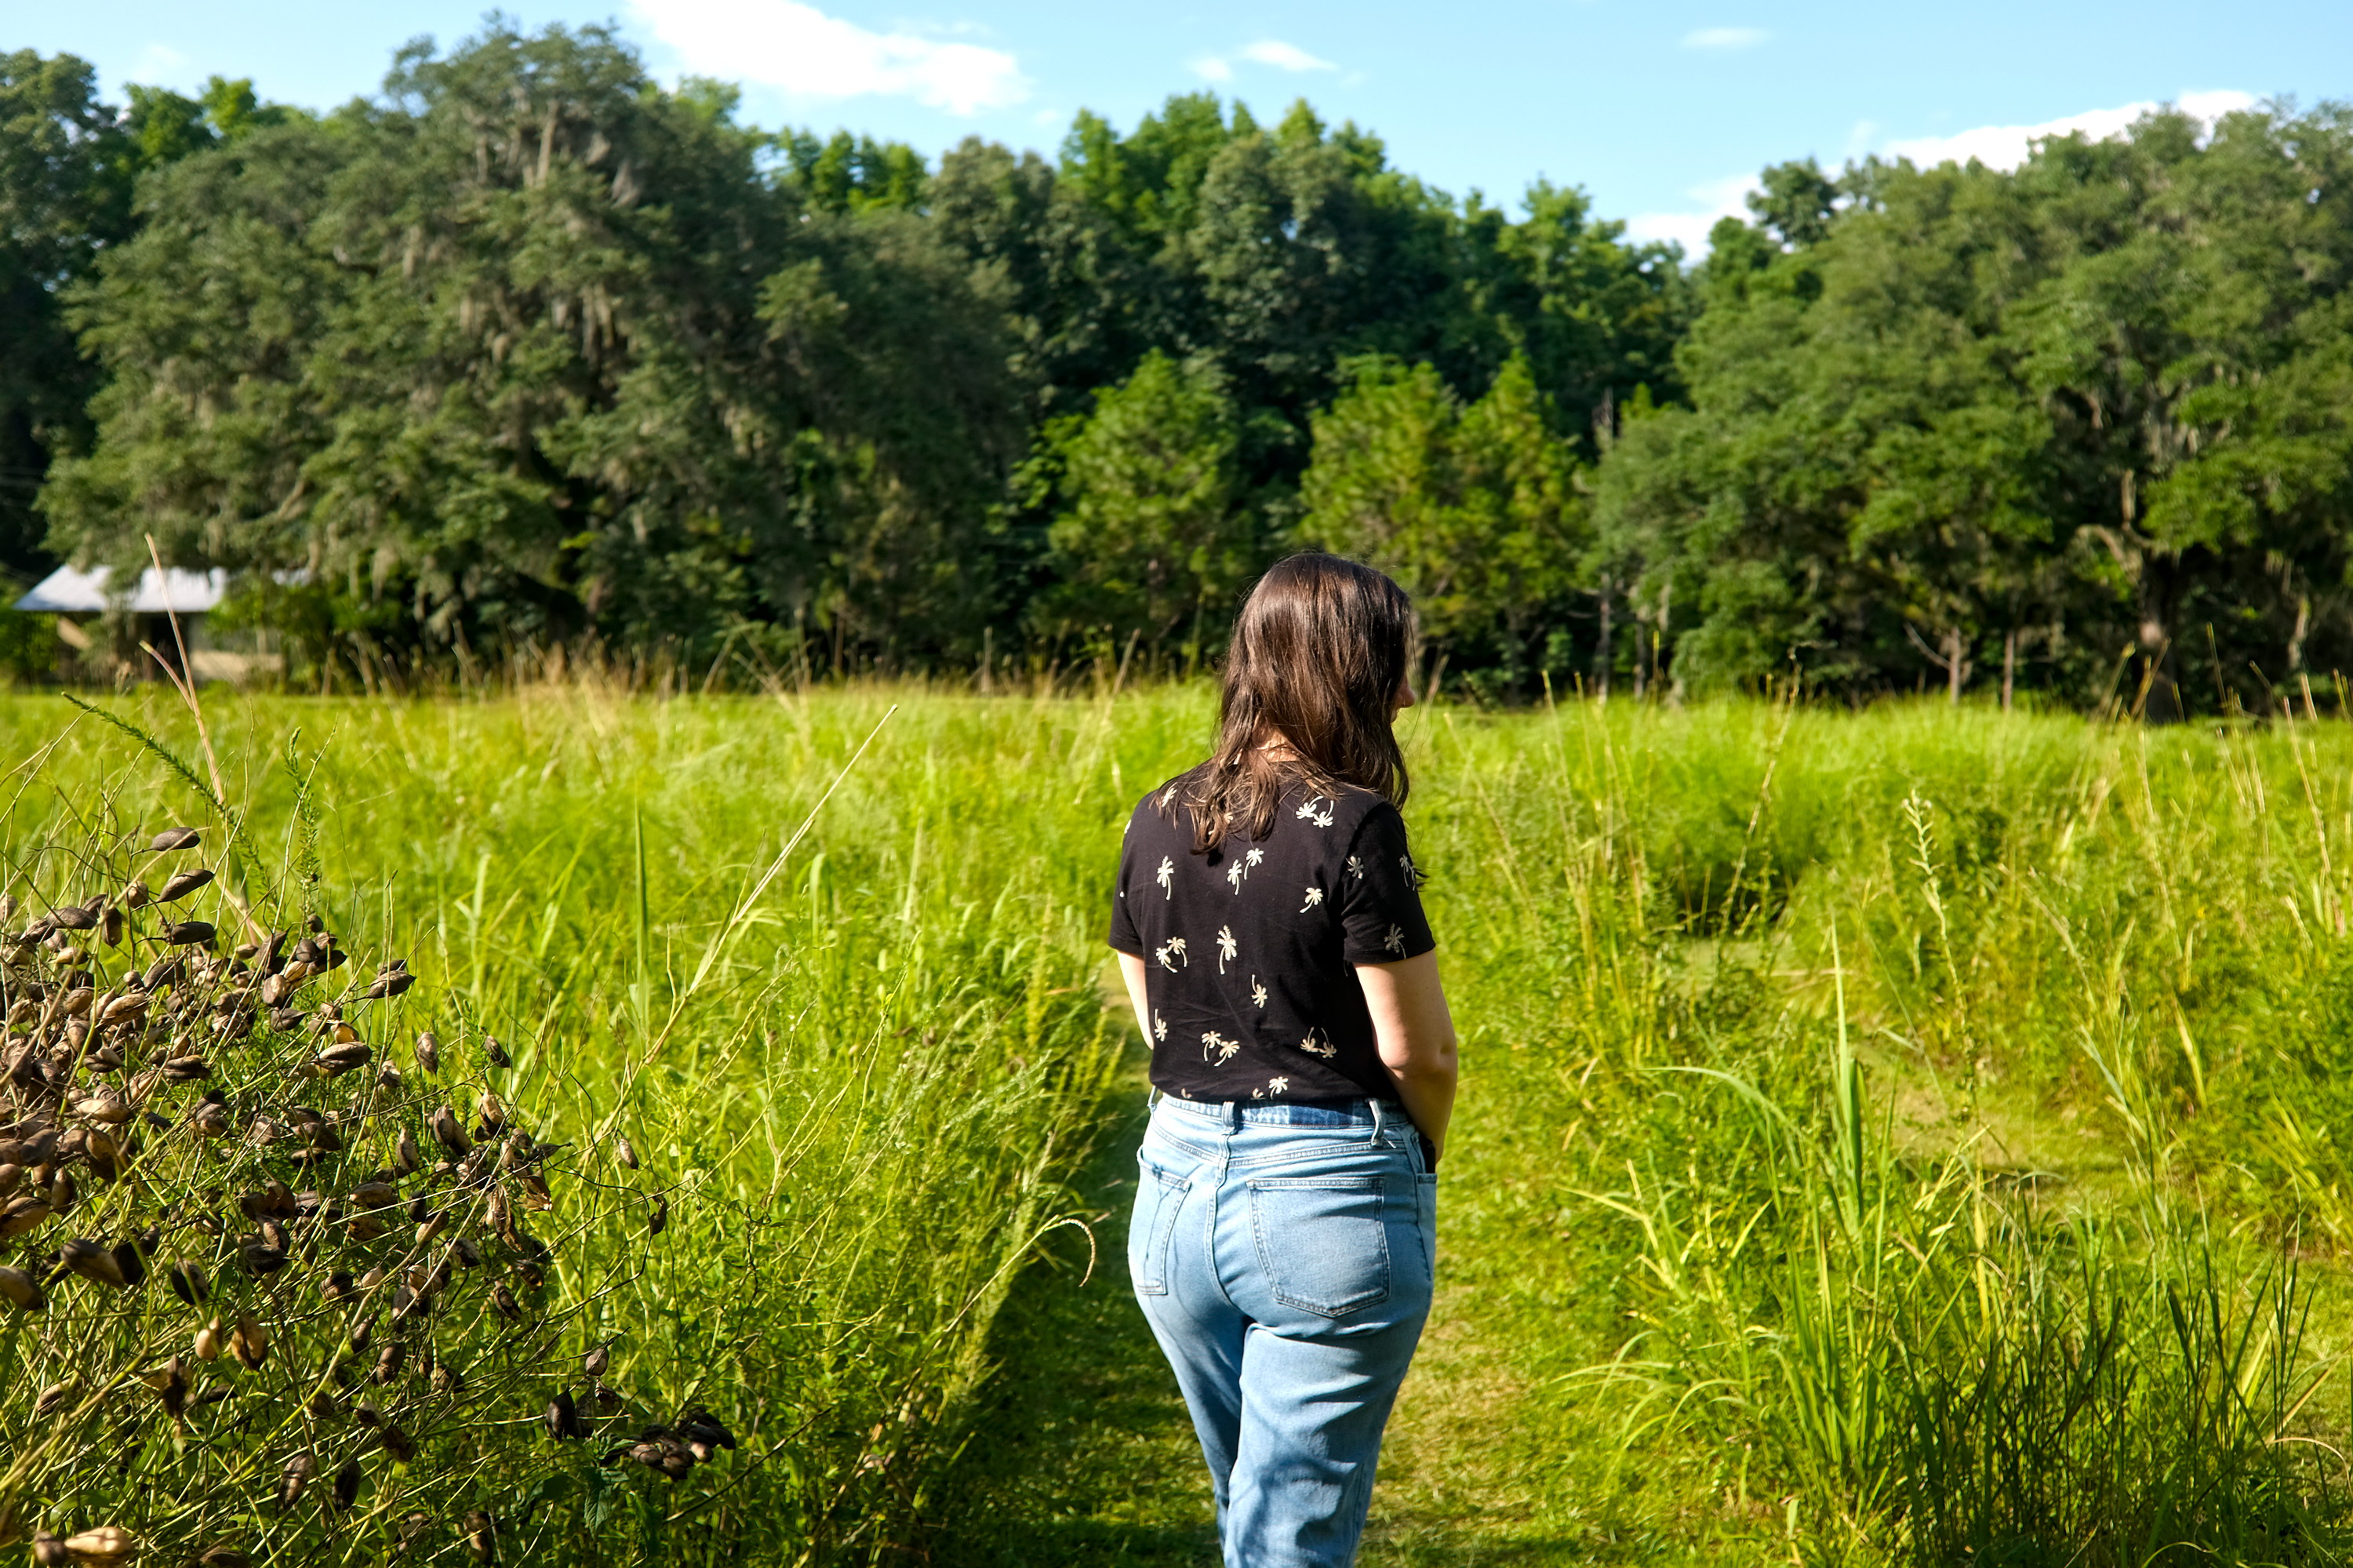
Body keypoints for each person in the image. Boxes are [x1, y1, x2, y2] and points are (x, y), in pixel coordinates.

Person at [1108, 552, 1459, 1568]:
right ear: (1343, 673)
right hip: (1324, 1201)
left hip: (1172, 1202)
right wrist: (1411, 1159)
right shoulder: (1356, 825)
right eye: (1391, 667)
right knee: (1288, 1538)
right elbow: (1419, 1049)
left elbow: (1148, 1004)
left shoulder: (1157, 814)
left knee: (1251, 1520)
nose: (1405, 693)